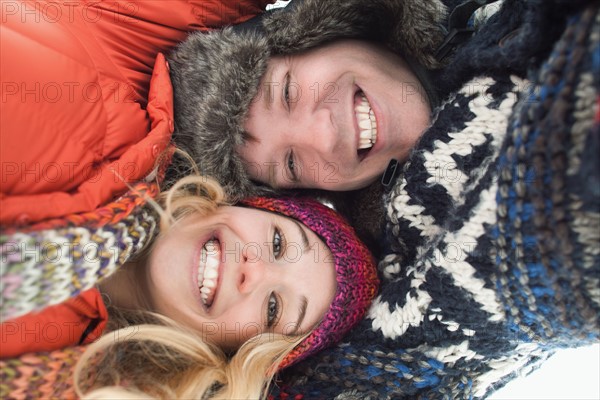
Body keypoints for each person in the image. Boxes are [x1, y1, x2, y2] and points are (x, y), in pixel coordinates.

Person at [168, 0, 600, 398]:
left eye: (286, 92)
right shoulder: (414, 248)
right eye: (292, 165)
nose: (324, 135)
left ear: (320, 31)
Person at [0, 174, 379, 398]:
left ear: (235, 353)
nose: (255, 272)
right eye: (278, 242)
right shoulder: (108, 138)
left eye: (273, 309)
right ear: (247, 205)